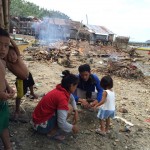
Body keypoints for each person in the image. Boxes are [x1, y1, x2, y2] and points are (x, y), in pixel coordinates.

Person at [31, 74, 79, 141]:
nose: (76, 88)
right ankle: (52, 133)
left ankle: (51, 128)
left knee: (68, 108)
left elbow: (72, 98)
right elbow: (61, 123)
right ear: (71, 86)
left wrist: (76, 111)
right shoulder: (62, 97)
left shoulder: (61, 90)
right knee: (69, 109)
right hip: (40, 126)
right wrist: (72, 127)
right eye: (75, 86)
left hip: (35, 121)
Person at [5, 38, 38, 120]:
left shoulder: (19, 57)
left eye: (13, 54)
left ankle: (32, 93)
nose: (12, 57)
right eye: (9, 56)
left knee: (31, 84)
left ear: (16, 53)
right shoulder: (8, 64)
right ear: (6, 58)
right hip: (20, 81)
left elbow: (15, 46)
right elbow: (3, 57)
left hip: (28, 75)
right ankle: (17, 110)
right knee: (19, 96)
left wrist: (9, 39)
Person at [0, 28, 15, 150]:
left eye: (6, 46)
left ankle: (8, 147)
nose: (3, 49)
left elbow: (2, 78)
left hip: (2, 101)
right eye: (0, 45)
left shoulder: (2, 62)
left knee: (4, 125)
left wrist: (8, 86)